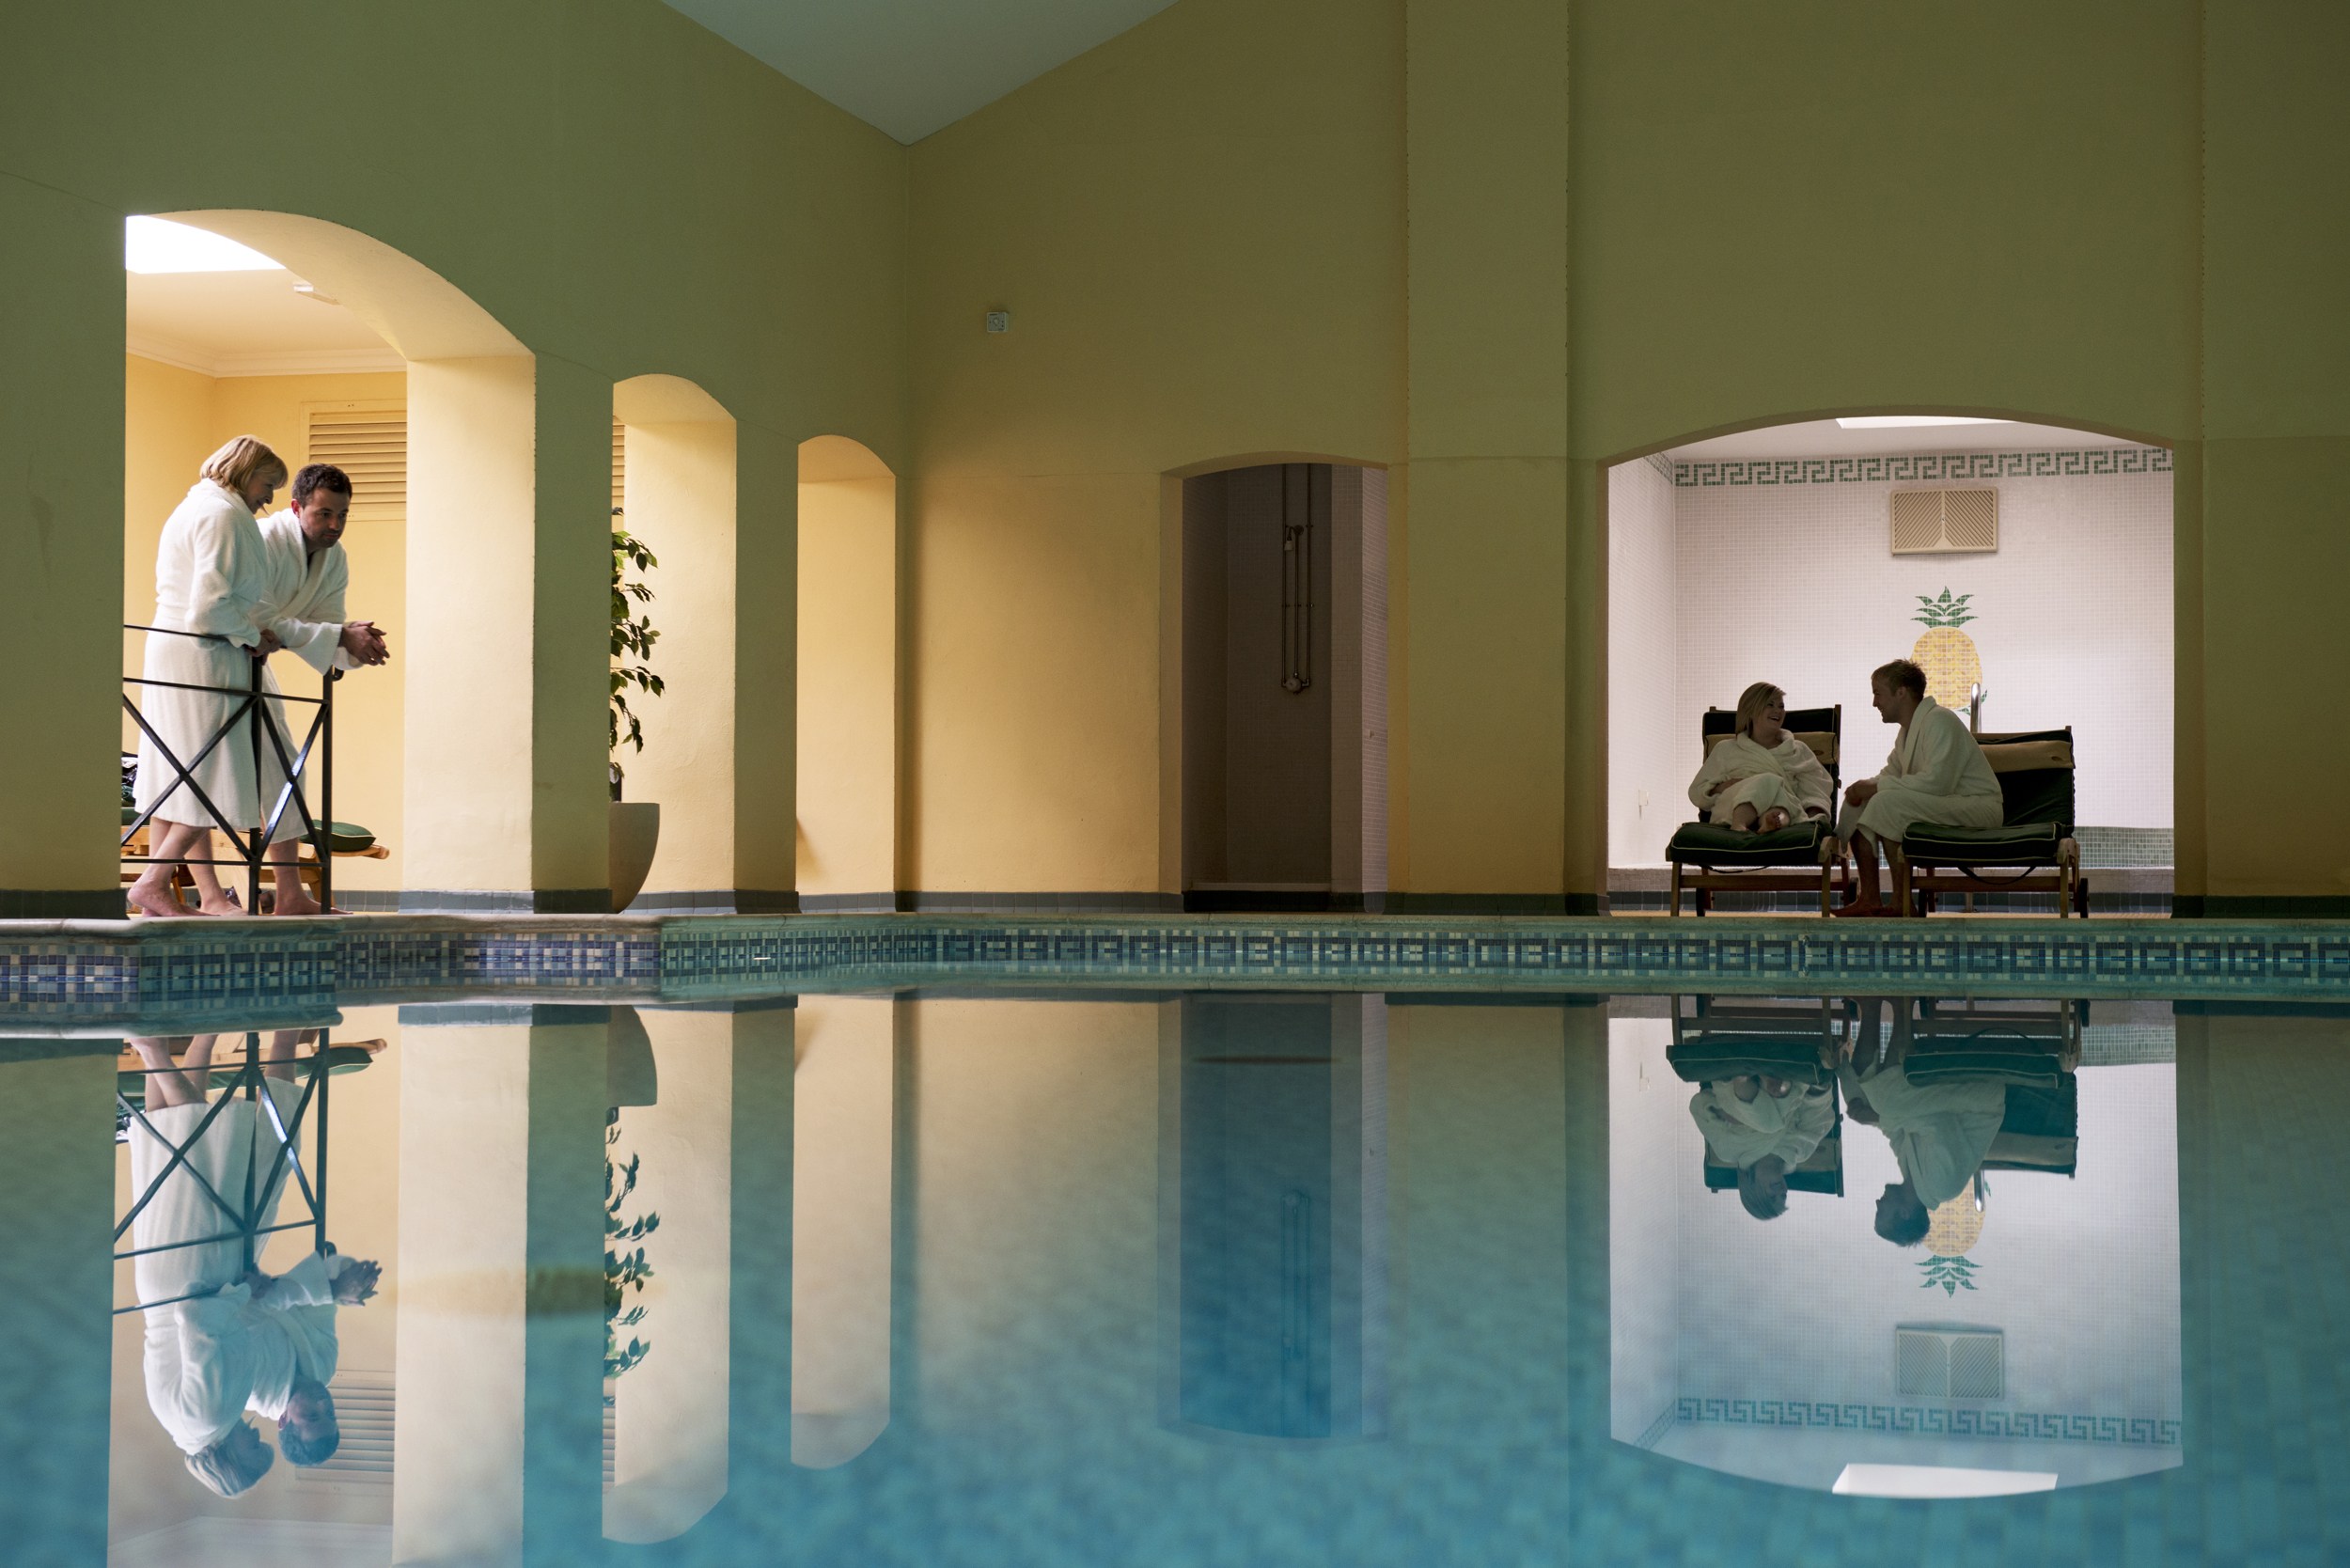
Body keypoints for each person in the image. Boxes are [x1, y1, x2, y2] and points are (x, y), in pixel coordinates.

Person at [124, 1031, 381, 1493]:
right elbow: (311, 1300)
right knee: (235, 1156)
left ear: (285, 1422)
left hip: (193, 1280)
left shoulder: (218, 1411)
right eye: (331, 1412)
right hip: (209, 1275)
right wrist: (328, 1289)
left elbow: (202, 1318)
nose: (323, 1402)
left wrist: (267, 1290)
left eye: (312, 1416)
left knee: (197, 1161)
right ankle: (206, 1038)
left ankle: (154, 1048)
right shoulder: (306, 1374)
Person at [126, 437, 290, 918]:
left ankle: (158, 895)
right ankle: (152, 883)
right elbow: (211, 605)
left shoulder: (195, 505)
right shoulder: (222, 514)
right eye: (267, 484)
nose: (269, 499)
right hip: (203, 651)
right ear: (244, 472)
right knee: (214, 771)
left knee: (179, 770)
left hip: (176, 646)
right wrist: (252, 636)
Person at [252, 463, 391, 916]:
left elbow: (324, 623)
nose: (335, 526)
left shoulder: (336, 557)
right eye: (324, 514)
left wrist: (354, 641)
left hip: (256, 665)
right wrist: (336, 636)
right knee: (211, 776)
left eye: (343, 515)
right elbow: (257, 617)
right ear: (296, 507)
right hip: (216, 658)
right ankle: (199, 890)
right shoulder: (261, 540)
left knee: (287, 771)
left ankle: (290, 894)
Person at [1832, 658, 2005, 917]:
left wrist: (1875, 788)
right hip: (1946, 803)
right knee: (1863, 801)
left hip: (1976, 806)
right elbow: (1889, 775)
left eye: (1878, 693)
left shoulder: (1940, 721)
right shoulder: (1907, 732)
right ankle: (1869, 898)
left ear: (1901, 692)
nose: (1874, 703)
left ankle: (1902, 904)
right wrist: (1861, 792)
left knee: (1885, 802)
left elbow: (1938, 783)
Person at [1838, 1002, 2008, 1246]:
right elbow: (1938, 1124)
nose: (1877, 1203)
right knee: (1888, 1103)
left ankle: (1871, 1005)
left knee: (1858, 1098)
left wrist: (1867, 1117)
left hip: (1945, 1104)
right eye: (1881, 1211)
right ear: (1905, 1213)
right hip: (1977, 1101)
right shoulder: (1942, 1186)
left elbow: (1895, 1131)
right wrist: (1875, 1117)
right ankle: (1903, 1004)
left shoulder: (1911, 1176)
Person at [1687, 682, 1836, 834]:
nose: (1777, 711)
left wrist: (1812, 823)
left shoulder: (1798, 750)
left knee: (1781, 796)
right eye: (1770, 705)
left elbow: (1816, 790)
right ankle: (1740, 824)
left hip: (1786, 810)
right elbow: (1696, 792)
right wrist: (1721, 787)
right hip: (1731, 811)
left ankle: (1771, 822)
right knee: (1770, 781)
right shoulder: (1726, 749)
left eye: (1781, 706)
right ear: (1751, 710)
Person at [1687, 1073, 1836, 1220]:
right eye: (1783, 1195)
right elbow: (1818, 1113)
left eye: (1772, 1197)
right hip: (1792, 1076)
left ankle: (1748, 1078)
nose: (1781, 1191)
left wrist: (1724, 1113)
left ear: (1753, 1191)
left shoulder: (1727, 1150)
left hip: (1733, 1084)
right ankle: (1765, 1080)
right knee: (1771, 1120)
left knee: (1768, 1124)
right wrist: (1816, 1089)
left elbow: (1699, 1107)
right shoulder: (1800, 1150)